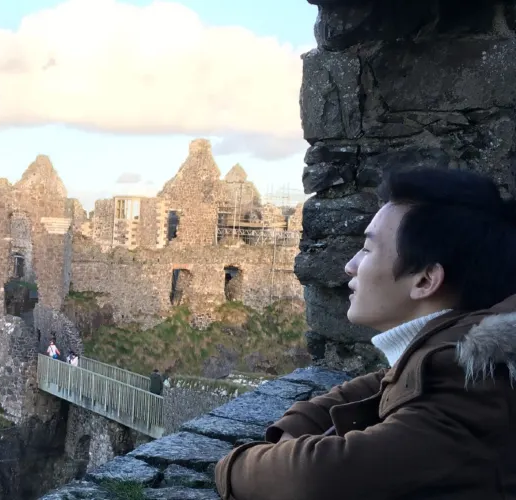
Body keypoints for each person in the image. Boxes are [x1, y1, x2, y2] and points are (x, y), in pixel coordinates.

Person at [214, 168, 516, 499]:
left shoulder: (474, 386)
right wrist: (298, 424)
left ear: (425, 280)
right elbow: (388, 381)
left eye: (368, 250)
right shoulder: (454, 351)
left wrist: (231, 465)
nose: (350, 265)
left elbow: (313, 479)